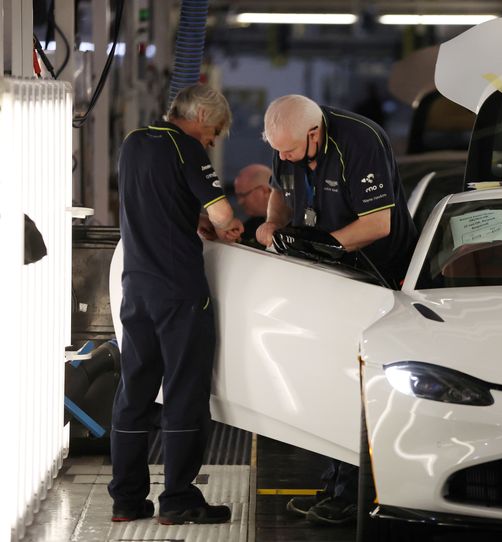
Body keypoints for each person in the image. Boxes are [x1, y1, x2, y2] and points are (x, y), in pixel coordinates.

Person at [256, 94, 418, 525]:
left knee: (359, 387)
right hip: (327, 278)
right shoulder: (286, 145)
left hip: (377, 280)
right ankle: (336, 486)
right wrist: (275, 225)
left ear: (315, 133)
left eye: (289, 150)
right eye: (277, 151)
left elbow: (377, 225)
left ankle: (353, 496)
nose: (283, 157)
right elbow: (280, 193)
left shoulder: (359, 140)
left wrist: (321, 246)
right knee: (328, 382)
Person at [109, 83, 244, 525]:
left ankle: (127, 500)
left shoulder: (133, 142)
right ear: (202, 119)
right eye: (215, 133)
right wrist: (224, 226)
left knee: (135, 393)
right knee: (185, 394)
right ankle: (179, 499)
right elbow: (223, 215)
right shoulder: (186, 148)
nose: (212, 141)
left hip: (137, 288)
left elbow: (159, 203)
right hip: (180, 293)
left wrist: (192, 218)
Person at [233, 163, 272, 245]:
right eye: (237, 196)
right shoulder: (249, 227)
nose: (240, 201)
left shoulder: (294, 226)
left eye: (243, 195)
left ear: (265, 191)